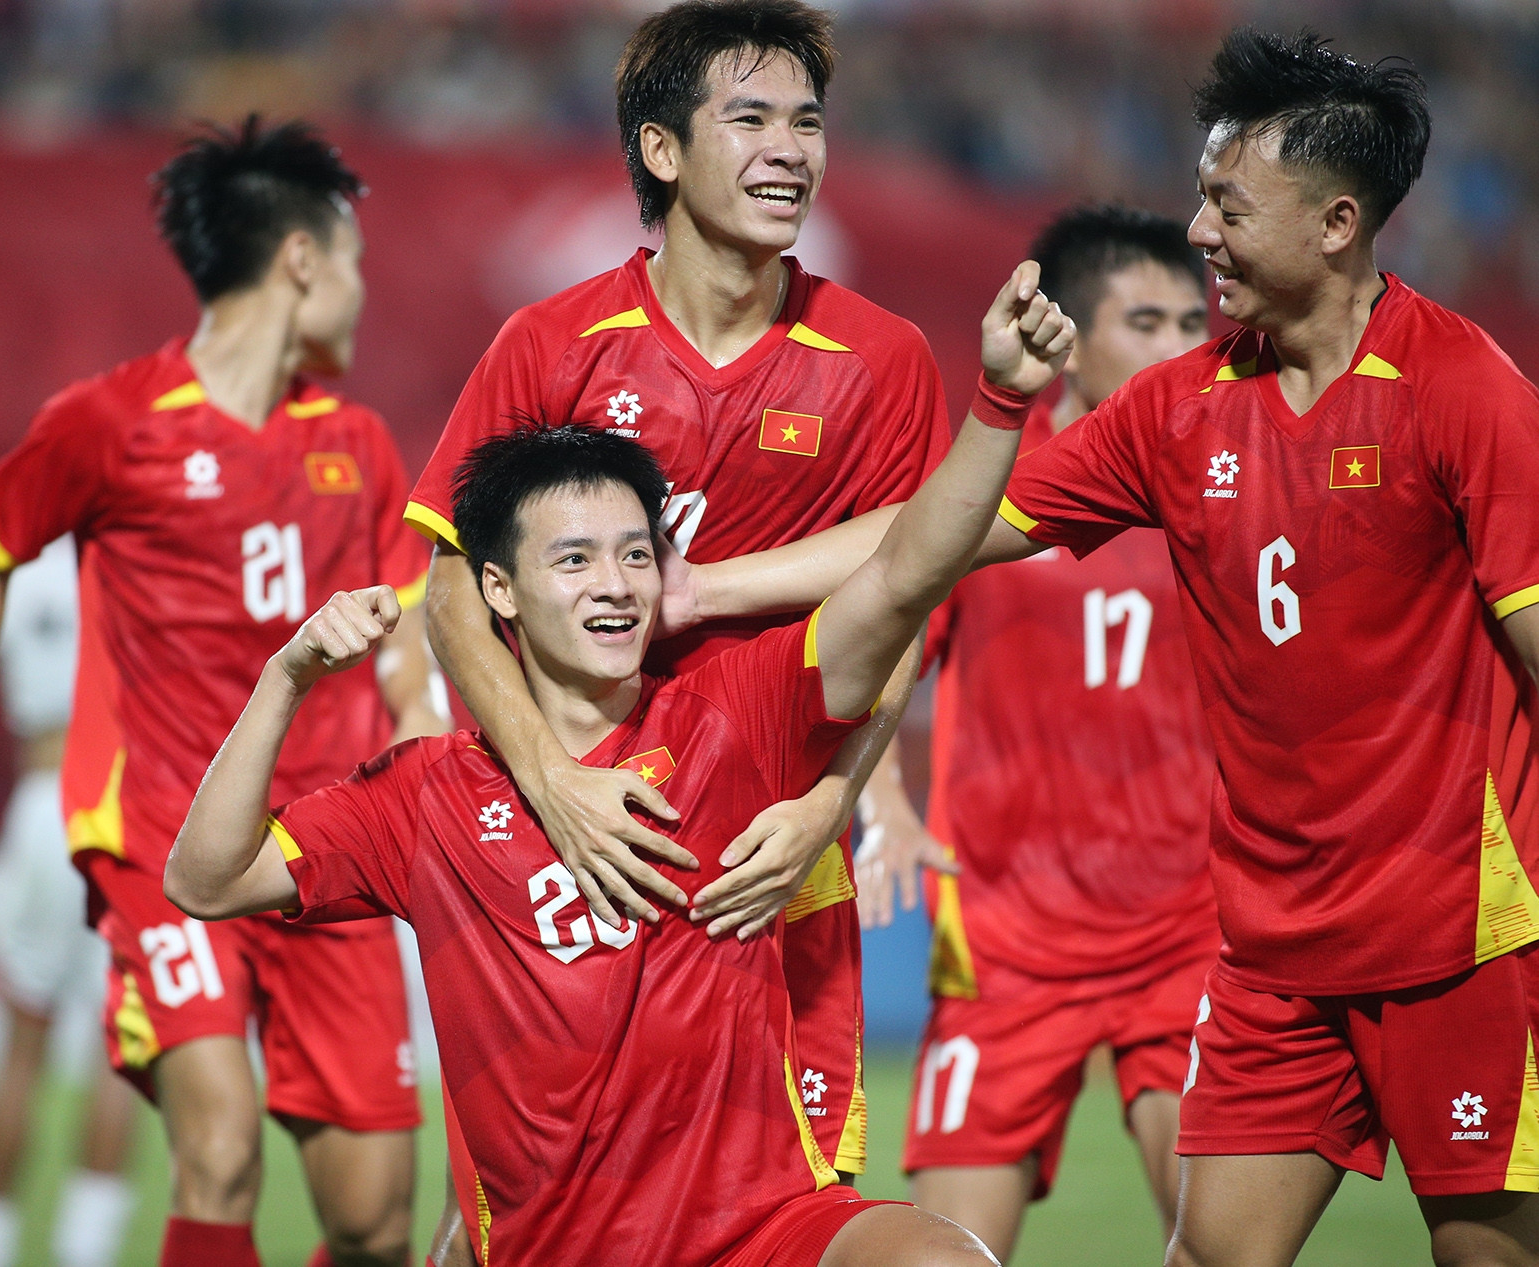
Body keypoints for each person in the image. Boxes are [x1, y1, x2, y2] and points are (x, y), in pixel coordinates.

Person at [654, 29, 1539, 1267]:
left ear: (1337, 222)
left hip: (1457, 937)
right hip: (1269, 952)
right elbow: (934, 539)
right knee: (1215, 1254)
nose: (1199, 229)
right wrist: (701, 589)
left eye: (1229, 205)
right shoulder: (1178, 408)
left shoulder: (1464, 391)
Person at [163, 257, 1073, 1265]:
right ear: (499, 591)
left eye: (636, 554)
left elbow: (908, 565)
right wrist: (285, 679)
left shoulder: (739, 718)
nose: (615, 584)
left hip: (757, 1231)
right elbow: (203, 879)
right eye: (575, 559)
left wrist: (998, 401)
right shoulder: (428, 796)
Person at [407, 0, 951, 1200]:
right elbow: (449, 594)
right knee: (540, 1206)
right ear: (661, 149)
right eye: (747, 117)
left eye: (807, 122)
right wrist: (549, 784)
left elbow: (901, 605)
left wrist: (827, 803)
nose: (789, 150)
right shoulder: (551, 344)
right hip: (576, 845)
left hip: (767, 847)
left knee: (783, 1210)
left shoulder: (881, 358)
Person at [0, 119, 444, 1267]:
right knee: (221, 1147)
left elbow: (403, 624)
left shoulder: (359, 444)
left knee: (374, 1219)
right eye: (350, 262)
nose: (358, 292)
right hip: (161, 850)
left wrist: (420, 717)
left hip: (326, 855)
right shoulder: (108, 424)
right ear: (300, 260)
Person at [850, 206, 1216, 1262]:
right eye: (1144, 319)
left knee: (1227, 1245)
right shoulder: (989, 487)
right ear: (1067, 332)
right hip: (1006, 940)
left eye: (1192, 318)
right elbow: (887, 640)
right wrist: (885, 806)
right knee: (948, 1252)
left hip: (1187, 929)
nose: (1178, 345)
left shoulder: (1224, 482)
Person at [0, 534, 139, 1267]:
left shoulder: (13, 558)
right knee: (119, 1054)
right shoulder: (139, 551)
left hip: (40, 800)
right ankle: (83, 1251)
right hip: (118, 804)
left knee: (18, 1051)